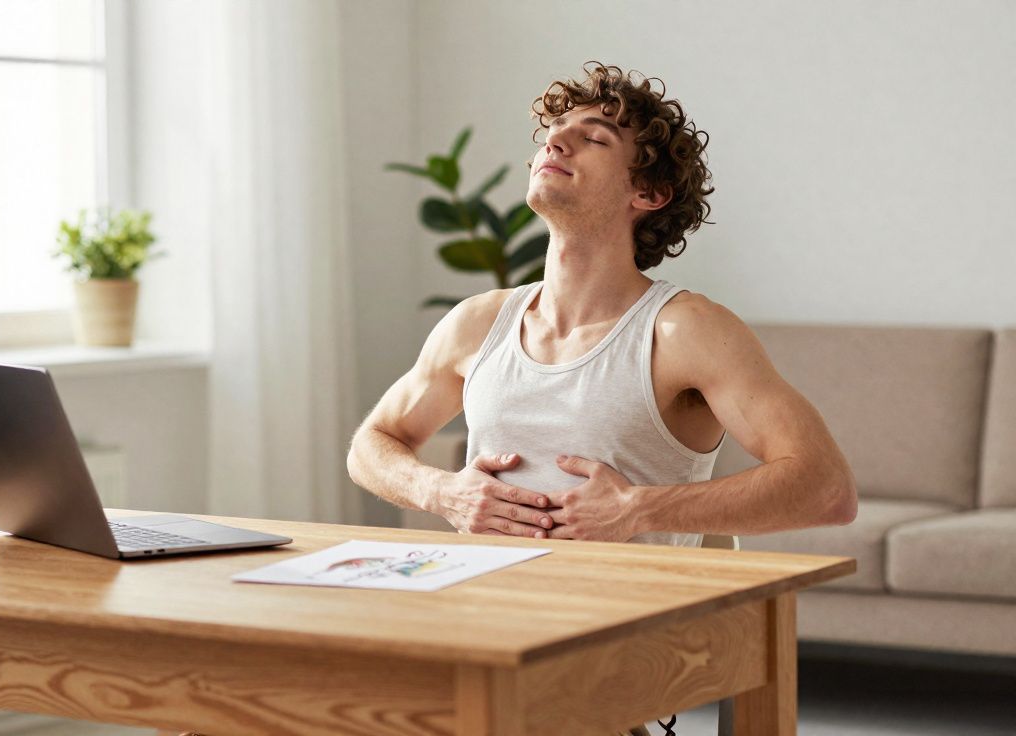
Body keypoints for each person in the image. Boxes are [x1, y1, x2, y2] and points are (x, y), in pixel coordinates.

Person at [346, 61, 858, 736]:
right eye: (554, 131)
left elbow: (825, 488)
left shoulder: (685, 330)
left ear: (647, 191)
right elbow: (372, 444)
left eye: (592, 137)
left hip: (605, 641)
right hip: (477, 618)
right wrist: (444, 493)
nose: (555, 143)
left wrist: (637, 508)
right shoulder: (478, 322)